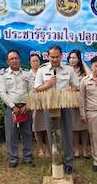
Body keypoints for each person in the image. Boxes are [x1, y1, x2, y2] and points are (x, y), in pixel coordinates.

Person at [34, 45, 79, 174]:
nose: (54, 59)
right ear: (48, 57)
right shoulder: (42, 70)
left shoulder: (69, 69)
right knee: (52, 134)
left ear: (61, 56)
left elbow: (75, 86)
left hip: (65, 106)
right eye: (52, 57)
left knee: (66, 134)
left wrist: (68, 93)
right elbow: (37, 88)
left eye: (57, 56)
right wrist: (48, 85)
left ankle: (69, 163)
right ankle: (56, 162)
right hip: (50, 107)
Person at [0, 50, 35, 167]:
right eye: (11, 59)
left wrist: (27, 104)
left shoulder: (27, 74)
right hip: (11, 108)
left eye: (16, 58)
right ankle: (13, 158)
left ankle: (28, 157)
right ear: (7, 61)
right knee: (11, 133)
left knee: (27, 133)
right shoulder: (4, 76)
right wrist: (13, 106)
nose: (14, 60)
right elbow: (2, 93)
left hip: (25, 107)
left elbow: (32, 90)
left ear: (20, 59)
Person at [68, 50, 91, 158]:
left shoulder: (83, 72)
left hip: (82, 101)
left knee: (84, 126)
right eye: (70, 57)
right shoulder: (66, 70)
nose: (72, 60)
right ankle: (76, 149)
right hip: (70, 101)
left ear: (79, 59)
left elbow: (90, 76)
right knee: (74, 128)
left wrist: (83, 63)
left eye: (75, 58)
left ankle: (85, 149)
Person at [29, 53, 49, 158]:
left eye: (37, 60)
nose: (35, 63)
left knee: (46, 126)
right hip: (34, 104)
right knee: (36, 128)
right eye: (33, 61)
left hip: (46, 102)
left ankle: (48, 149)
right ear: (30, 62)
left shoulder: (45, 73)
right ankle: (41, 148)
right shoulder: (27, 75)